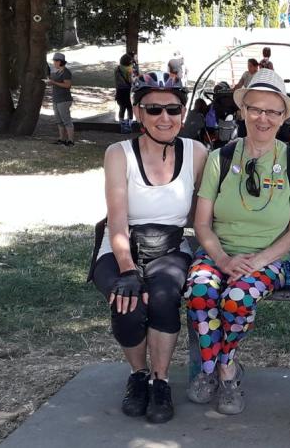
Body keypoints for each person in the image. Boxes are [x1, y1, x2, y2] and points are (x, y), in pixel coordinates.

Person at [185, 68, 290, 414]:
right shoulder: (220, 158)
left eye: (273, 111)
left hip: (271, 258)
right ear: (243, 111)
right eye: (255, 109)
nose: (263, 118)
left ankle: (219, 369)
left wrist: (255, 262)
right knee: (199, 291)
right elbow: (202, 223)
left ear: (284, 116)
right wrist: (224, 261)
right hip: (219, 252)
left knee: (237, 298)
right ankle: (224, 371)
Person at [89, 71, 208, 424]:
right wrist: (126, 268)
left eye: (173, 109)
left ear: (183, 113)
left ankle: (161, 380)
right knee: (126, 304)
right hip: (122, 245)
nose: (164, 118)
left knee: (163, 296)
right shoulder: (118, 154)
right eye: (153, 109)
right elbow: (117, 217)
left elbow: (206, 210)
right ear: (138, 113)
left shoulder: (197, 152)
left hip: (170, 247)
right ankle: (138, 375)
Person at [46, 52, 75, 146]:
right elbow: (53, 81)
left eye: (55, 61)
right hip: (56, 99)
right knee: (59, 120)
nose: (54, 63)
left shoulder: (66, 72)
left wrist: (53, 82)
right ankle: (61, 139)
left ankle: (70, 140)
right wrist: (49, 81)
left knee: (66, 120)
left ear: (60, 62)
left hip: (64, 100)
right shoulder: (57, 72)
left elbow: (68, 85)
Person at [115, 54, 134, 133]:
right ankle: (130, 123)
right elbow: (130, 81)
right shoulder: (129, 70)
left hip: (119, 91)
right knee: (130, 107)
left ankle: (121, 124)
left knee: (122, 108)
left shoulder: (117, 68)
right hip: (127, 91)